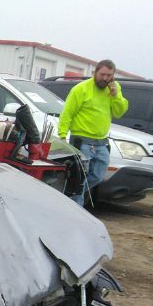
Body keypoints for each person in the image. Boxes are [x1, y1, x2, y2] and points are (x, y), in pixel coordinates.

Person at [57, 59, 129, 205]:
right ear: (95, 72)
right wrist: (62, 135)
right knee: (80, 179)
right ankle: (76, 209)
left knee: (97, 176)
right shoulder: (81, 89)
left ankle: (69, 197)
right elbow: (67, 113)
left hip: (101, 142)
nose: (105, 78)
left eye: (109, 75)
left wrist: (116, 95)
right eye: (102, 74)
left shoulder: (114, 89)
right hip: (81, 140)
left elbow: (119, 112)